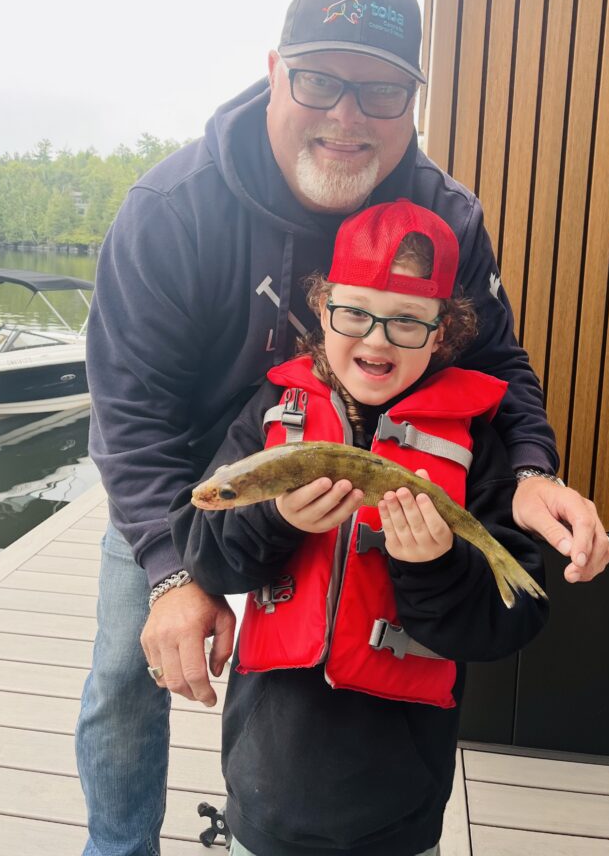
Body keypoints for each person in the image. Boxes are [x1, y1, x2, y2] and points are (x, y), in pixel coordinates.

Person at [77, 0, 609, 856]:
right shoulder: (171, 211)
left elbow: (499, 361)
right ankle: (118, 846)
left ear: (412, 101)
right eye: (322, 80)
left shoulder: (446, 213)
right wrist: (175, 573)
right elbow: (129, 414)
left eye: (381, 90)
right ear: (277, 67)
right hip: (192, 479)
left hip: (372, 478)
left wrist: (527, 471)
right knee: (125, 675)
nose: (347, 116)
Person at [170, 199, 549, 856]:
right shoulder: (269, 414)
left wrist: (435, 565)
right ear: (322, 313)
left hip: (398, 818)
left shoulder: (475, 445)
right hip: (264, 801)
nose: (376, 339)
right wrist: (274, 519)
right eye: (355, 314)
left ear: (442, 334)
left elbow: (508, 620)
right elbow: (205, 552)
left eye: (407, 321)